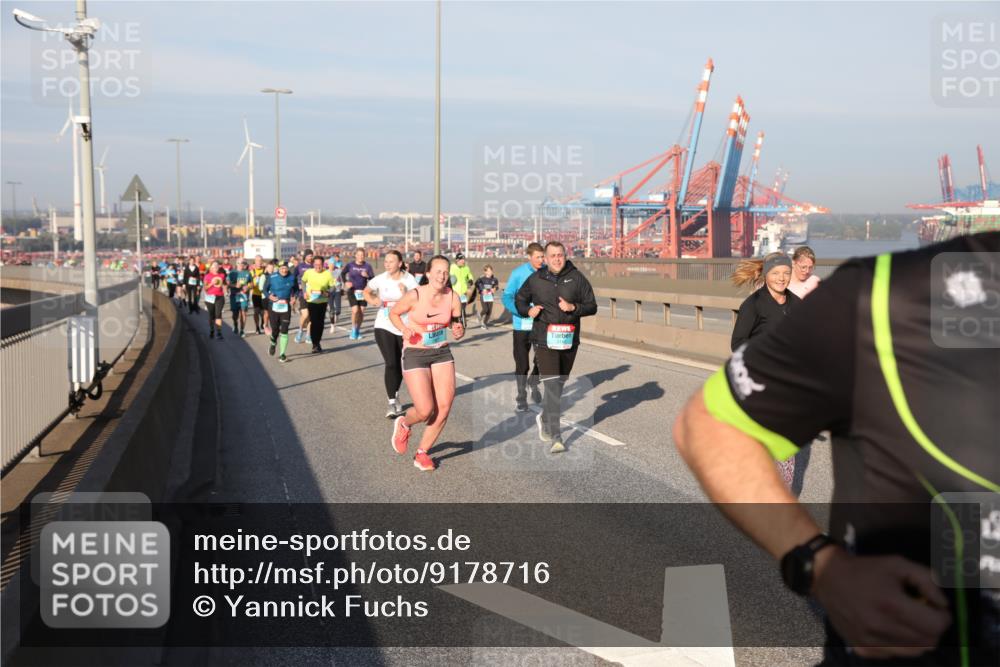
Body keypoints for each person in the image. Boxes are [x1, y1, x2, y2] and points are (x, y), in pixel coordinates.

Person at [673, 232, 1000, 666]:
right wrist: (817, 563)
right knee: (782, 455)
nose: (793, 276)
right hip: (782, 391)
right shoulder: (882, 299)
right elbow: (711, 420)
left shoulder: (801, 300)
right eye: (786, 271)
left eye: (794, 271)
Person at [515, 241, 597, 453]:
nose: (557, 259)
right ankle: (556, 436)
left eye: (560, 255)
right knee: (551, 387)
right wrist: (527, 311)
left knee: (558, 386)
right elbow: (520, 300)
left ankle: (543, 417)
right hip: (544, 340)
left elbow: (592, 306)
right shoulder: (536, 279)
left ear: (565, 255)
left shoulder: (576, 278)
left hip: (569, 340)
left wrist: (574, 307)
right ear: (546, 258)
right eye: (552, 256)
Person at [730, 252, 802, 487]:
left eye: (786, 273)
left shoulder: (796, 304)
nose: (782, 278)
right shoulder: (754, 304)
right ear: (766, 274)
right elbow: (738, 342)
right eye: (776, 273)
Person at [389, 255, 465, 472]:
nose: (442, 276)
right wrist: (404, 329)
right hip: (415, 352)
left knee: (444, 406)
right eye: (438, 271)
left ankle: (422, 452)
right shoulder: (415, 295)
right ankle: (404, 423)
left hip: (441, 352)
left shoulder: (453, 297)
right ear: (429, 274)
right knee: (425, 409)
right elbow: (393, 313)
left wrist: (458, 331)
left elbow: (457, 325)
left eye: (445, 272)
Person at [365, 250, 419, 418]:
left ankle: (395, 394)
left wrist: (405, 295)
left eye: (391, 261)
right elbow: (366, 291)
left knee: (400, 364)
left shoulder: (409, 280)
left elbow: (418, 300)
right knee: (390, 363)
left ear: (400, 263)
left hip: (404, 326)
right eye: (386, 261)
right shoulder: (381, 278)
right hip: (384, 324)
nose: (387, 264)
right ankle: (391, 402)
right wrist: (373, 300)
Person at [503, 243, 545, 411]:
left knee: (542, 360)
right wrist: (522, 312)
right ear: (529, 257)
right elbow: (506, 297)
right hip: (521, 325)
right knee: (522, 364)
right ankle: (521, 397)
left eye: (543, 257)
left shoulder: (547, 272)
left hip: (541, 325)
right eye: (538, 257)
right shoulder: (518, 273)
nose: (541, 260)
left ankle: (534, 381)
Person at [300, 255, 337, 353]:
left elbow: (333, 287)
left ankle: (317, 342)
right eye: (316, 264)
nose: (318, 266)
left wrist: (328, 292)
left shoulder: (327, 274)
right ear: (313, 264)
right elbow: (303, 281)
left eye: (320, 264)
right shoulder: (308, 272)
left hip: (323, 301)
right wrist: (304, 292)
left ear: (323, 265)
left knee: (320, 323)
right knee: (314, 321)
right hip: (311, 301)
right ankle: (315, 344)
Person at [263, 261, 297, 363]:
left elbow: (296, 289)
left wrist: (294, 297)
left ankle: (282, 354)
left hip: (286, 306)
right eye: (282, 268)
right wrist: (269, 296)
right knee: (275, 329)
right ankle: (273, 343)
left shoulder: (292, 277)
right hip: (274, 306)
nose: (284, 270)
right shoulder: (272, 277)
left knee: (285, 329)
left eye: (286, 268)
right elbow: (264, 289)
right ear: (278, 268)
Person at [341, 248, 376, 340]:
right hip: (352, 290)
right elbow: (342, 273)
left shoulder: (367, 266)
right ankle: (353, 329)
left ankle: (357, 330)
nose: (360, 256)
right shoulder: (350, 265)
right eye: (359, 254)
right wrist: (346, 282)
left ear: (364, 256)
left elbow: (373, 279)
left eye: (362, 255)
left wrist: (367, 276)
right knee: (355, 310)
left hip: (363, 292)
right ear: (355, 255)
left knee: (361, 311)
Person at [295, 250, 315, 344]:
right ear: (305, 256)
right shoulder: (300, 266)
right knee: (305, 314)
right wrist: (297, 285)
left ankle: (308, 335)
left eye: (312, 256)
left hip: (313, 294)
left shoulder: (315, 266)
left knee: (311, 316)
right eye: (309, 256)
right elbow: (293, 278)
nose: (310, 257)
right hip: (302, 293)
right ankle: (300, 331)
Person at [203, 260, 227, 339]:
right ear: (211, 268)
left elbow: (225, 284)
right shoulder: (207, 276)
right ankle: (212, 329)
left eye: (217, 266)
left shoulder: (222, 275)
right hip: (210, 297)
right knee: (211, 315)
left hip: (220, 297)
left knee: (218, 314)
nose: (216, 267)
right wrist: (211, 283)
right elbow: (205, 288)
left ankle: (219, 332)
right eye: (214, 266)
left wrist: (226, 290)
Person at [227, 259, 252, 337]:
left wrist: (248, 287)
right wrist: (234, 286)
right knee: (235, 314)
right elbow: (227, 284)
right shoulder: (232, 273)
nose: (242, 265)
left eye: (243, 263)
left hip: (244, 296)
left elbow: (251, 284)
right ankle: (235, 324)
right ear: (237, 264)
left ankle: (242, 330)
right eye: (240, 263)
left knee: (243, 312)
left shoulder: (247, 273)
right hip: (234, 295)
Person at [449, 252, 475, 322]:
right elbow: (450, 276)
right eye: (461, 259)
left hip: (463, 291)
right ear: (457, 260)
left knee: (463, 307)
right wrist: (451, 278)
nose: (463, 261)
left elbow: (469, 275)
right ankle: (453, 320)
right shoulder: (452, 267)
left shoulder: (466, 268)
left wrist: (470, 280)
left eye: (464, 259)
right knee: (456, 308)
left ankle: (463, 321)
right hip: (455, 291)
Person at [326, 251, 345, 333]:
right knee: (331, 310)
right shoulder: (325, 273)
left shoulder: (338, 271)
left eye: (333, 263)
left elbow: (342, 280)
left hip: (337, 291)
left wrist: (342, 288)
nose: (332, 265)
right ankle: (332, 325)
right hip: (329, 292)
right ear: (328, 264)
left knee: (338, 310)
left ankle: (337, 315)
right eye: (330, 263)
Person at [248, 255, 267, 334]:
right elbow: (249, 283)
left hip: (264, 295)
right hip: (255, 294)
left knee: (264, 312)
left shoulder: (265, 271)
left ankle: (264, 323)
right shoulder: (252, 272)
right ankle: (257, 327)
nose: (259, 262)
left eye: (260, 261)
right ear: (255, 262)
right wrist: (251, 285)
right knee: (256, 312)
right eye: (257, 261)